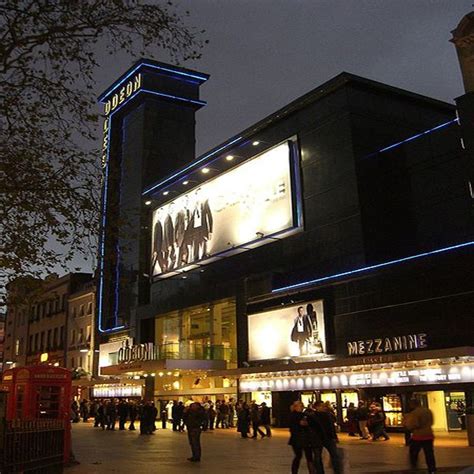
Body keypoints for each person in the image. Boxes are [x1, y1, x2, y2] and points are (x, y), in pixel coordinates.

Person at [403, 399, 436, 474]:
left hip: (418, 436)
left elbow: (414, 424)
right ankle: (432, 469)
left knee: (413, 453)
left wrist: (407, 424)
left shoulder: (415, 413)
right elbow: (432, 422)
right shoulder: (428, 411)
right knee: (429, 453)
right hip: (429, 434)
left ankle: (414, 468)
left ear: (413, 404)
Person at [313, 401, 341, 474]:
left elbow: (331, 427)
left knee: (334, 455)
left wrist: (334, 436)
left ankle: (337, 471)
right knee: (318, 457)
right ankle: (320, 472)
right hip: (318, 439)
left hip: (328, 438)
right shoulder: (313, 416)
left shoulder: (327, 415)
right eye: (321, 406)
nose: (323, 408)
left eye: (324, 406)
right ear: (316, 407)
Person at [288, 401, 316, 474]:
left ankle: (311, 471)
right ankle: (295, 472)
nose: (302, 407)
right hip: (298, 439)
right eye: (300, 406)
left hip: (304, 439)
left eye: (302, 406)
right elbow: (303, 424)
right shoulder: (294, 416)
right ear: (295, 407)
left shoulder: (303, 415)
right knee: (299, 456)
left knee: (307, 457)